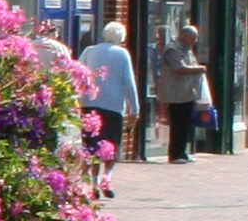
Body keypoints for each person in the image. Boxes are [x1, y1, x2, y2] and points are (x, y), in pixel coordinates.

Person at [79, 20, 139, 194]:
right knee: (111, 145)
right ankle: (107, 179)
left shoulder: (89, 51)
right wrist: (134, 108)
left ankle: (94, 183)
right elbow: (129, 82)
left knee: (91, 145)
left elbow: (78, 74)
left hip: (89, 104)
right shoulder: (122, 53)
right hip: (113, 106)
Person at [152, 24, 209, 163]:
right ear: (184, 36)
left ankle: (182, 152)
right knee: (178, 123)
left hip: (187, 93)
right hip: (175, 93)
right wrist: (199, 69)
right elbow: (178, 68)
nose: (195, 41)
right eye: (193, 38)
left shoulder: (187, 49)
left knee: (185, 124)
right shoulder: (173, 49)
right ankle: (175, 154)